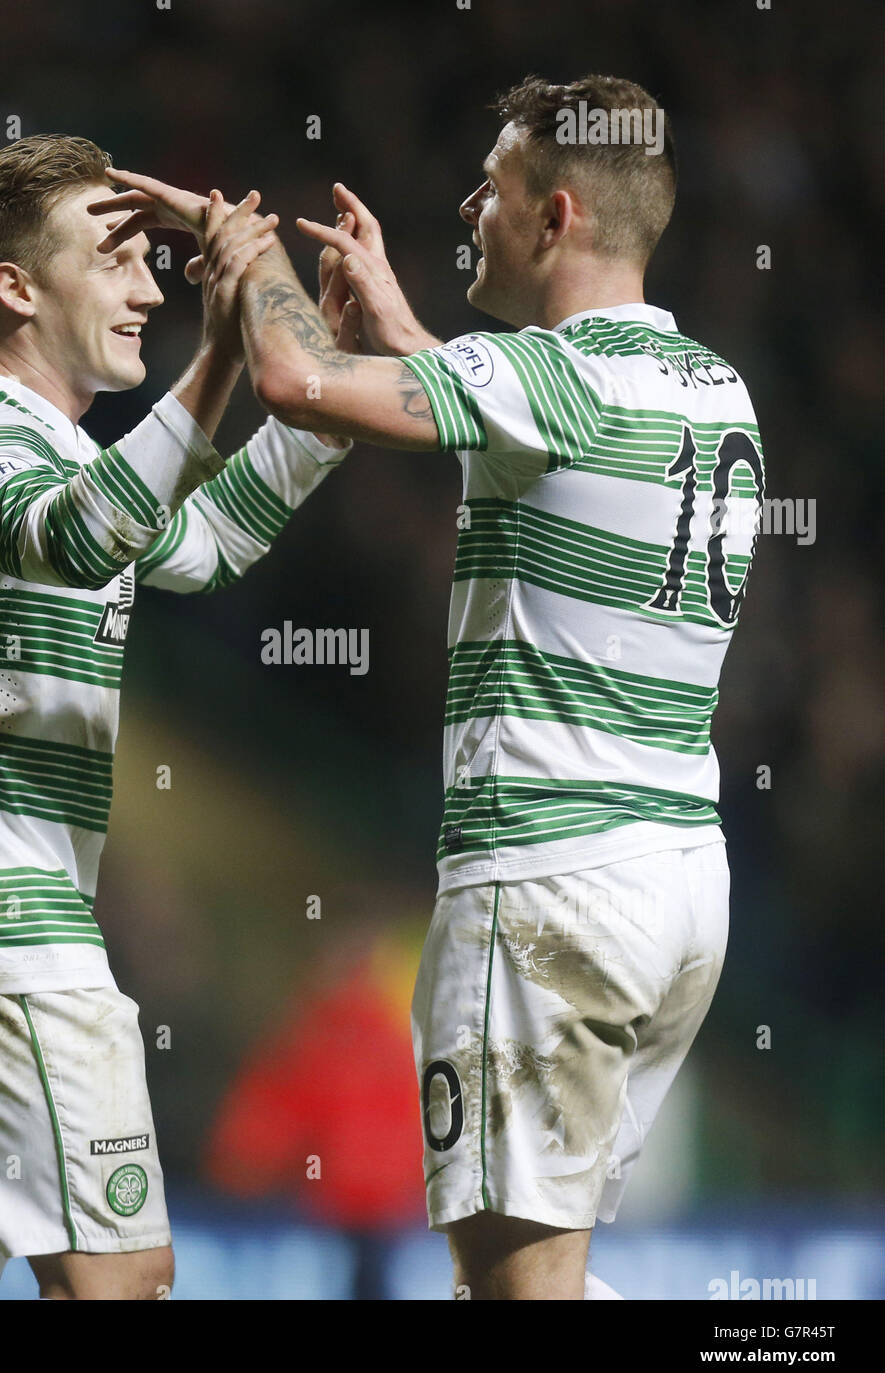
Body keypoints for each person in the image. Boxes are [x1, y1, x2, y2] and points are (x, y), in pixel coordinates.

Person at [106, 72, 765, 1300]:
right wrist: (407, 334)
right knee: (529, 1274)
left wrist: (249, 259)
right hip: (677, 880)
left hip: (547, 883)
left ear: (555, 216)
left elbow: (305, 384)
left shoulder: (549, 385)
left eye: (494, 188)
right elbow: (506, 415)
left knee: (515, 1285)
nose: (468, 205)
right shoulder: (710, 388)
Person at [0, 134, 349, 1301]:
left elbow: (199, 546)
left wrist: (323, 380)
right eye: (119, 262)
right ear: (16, 285)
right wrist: (214, 360)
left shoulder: (63, 450)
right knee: (124, 1281)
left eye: (160, 263)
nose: (153, 288)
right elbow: (73, 535)